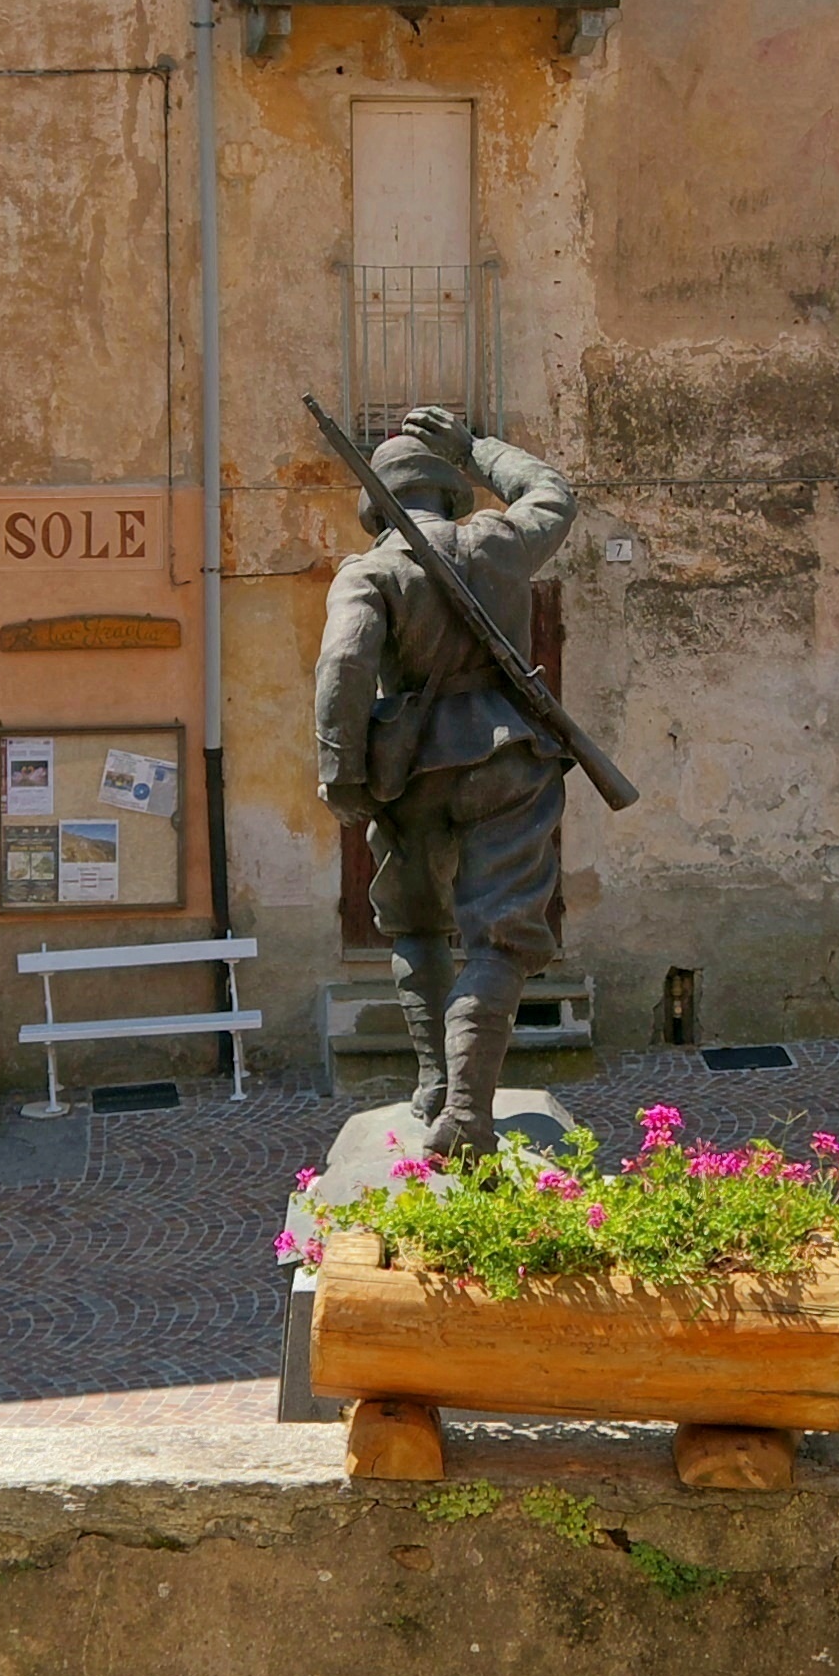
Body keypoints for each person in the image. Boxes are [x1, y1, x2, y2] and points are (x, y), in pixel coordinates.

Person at [312, 404, 577, 1157]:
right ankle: (465, 1108)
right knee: (499, 936)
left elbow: (342, 670)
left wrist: (344, 773)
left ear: (376, 506)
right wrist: (475, 446)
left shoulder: (370, 570)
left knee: (416, 924)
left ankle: (436, 1083)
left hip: (412, 775)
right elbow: (553, 492)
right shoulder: (497, 541)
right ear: (448, 490)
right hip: (506, 759)